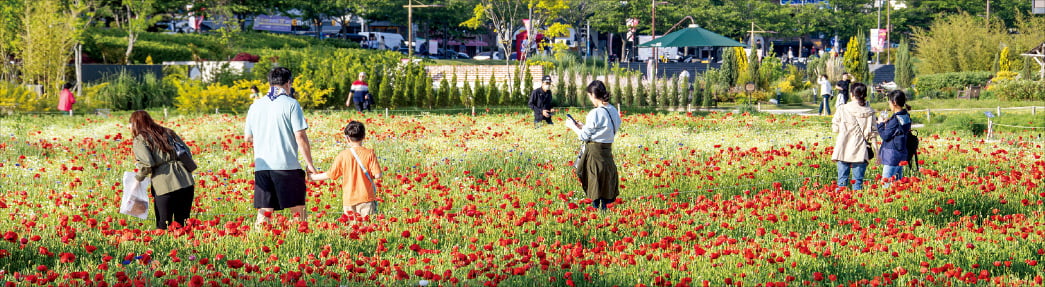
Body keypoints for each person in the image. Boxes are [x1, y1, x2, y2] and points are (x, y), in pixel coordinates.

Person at [244, 67, 317, 227]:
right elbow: (300, 136)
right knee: (298, 212)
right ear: (288, 83)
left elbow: (248, 138)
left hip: (262, 167)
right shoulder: (291, 104)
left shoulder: (255, 106)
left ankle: (259, 244)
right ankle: (300, 244)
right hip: (287, 166)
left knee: (264, 213)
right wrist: (310, 165)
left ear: (269, 82)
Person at [130, 110, 195, 230]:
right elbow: (187, 152)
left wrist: (136, 181)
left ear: (135, 124)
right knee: (183, 224)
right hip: (186, 181)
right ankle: (185, 248)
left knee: (163, 225)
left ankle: (168, 248)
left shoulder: (140, 139)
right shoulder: (169, 132)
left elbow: (147, 163)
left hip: (164, 183)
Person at [564, 80, 622, 210]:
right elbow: (604, 130)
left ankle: (596, 213)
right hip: (606, 152)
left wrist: (573, 126)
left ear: (593, 95)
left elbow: (583, 137)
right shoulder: (612, 110)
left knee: (594, 183)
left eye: (590, 96)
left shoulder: (595, 113)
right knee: (605, 184)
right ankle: (605, 213)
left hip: (594, 153)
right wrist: (583, 126)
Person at [309, 121, 383, 219]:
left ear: (347, 138)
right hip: (366, 198)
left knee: (353, 229)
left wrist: (312, 177)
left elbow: (330, 174)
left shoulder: (343, 155)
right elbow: (378, 175)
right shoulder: (369, 154)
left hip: (349, 199)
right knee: (366, 228)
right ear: (364, 136)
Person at [831, 83, 876, 190]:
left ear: (852, 94)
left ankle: (840, 204)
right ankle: (858, 205)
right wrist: (877, 153)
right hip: (860, 150)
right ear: (865, 95)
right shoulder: (870, 111)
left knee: (842, 182)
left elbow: (835, 128)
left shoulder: (842, 109)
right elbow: (873, 133)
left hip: (844, 147)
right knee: (858, 183)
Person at [877, 90, 912, 187]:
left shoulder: (895, 119)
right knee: (897, 183)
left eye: (889, 102)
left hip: (891, 155)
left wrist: (880, 124)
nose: (889, 104)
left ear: (894, 103)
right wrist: (888, 122)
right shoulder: (905, 115)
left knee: (886, 184)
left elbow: (885, 136)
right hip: (901, 153)